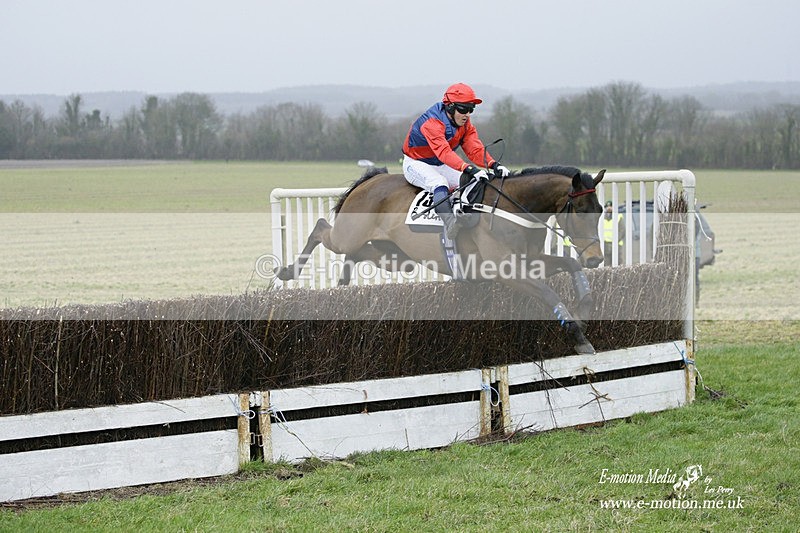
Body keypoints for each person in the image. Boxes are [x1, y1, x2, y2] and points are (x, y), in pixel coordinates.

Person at [402, 83, 510, 239]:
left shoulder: (465, 124)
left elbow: (475, 149)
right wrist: (467, 168)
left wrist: (493, 165)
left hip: (440, 163)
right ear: (450, 107)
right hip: (416, 163)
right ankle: (450, 222)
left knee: (474, 182)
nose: (467, 114)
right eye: (463, 109)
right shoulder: (431, 123)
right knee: (439, 182)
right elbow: (443, 152)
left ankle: (469, 217)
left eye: (471, 109)